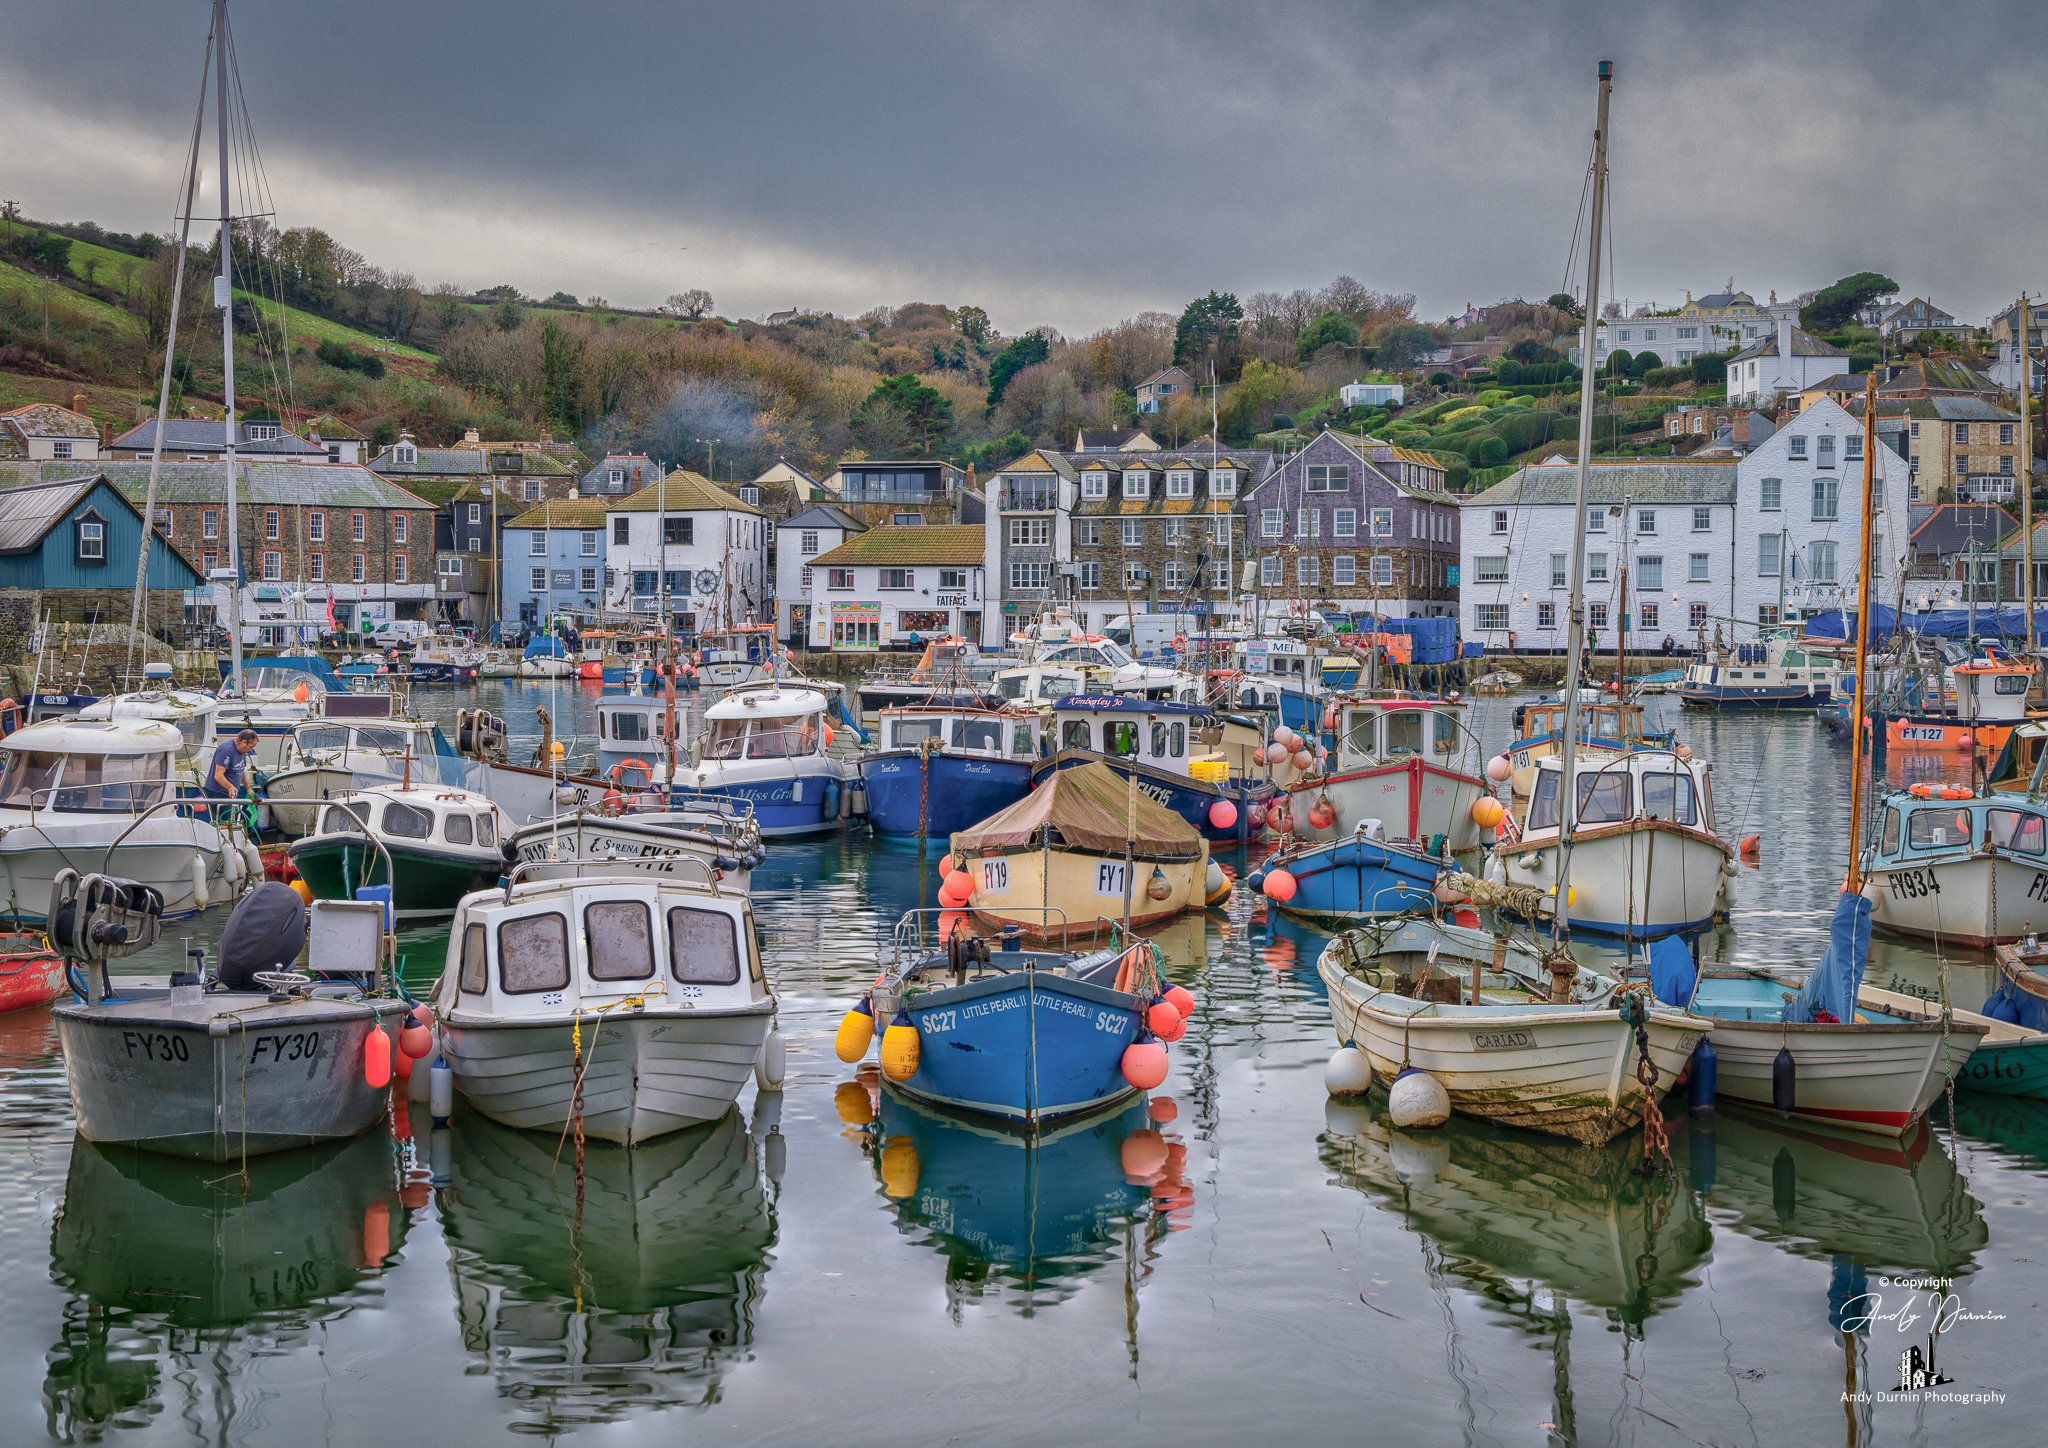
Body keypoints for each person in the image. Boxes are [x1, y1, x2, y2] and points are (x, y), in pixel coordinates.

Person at [205, 729, 260, 803]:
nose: (251, 750)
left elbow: (240, 770)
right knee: (225, 814)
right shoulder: (227, 750)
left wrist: (248, 788)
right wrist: (230, 787)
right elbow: (218, 775)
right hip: (217, 794)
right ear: (244, 742)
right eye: (251, 747)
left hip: (230, 794)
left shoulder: (242, 751)